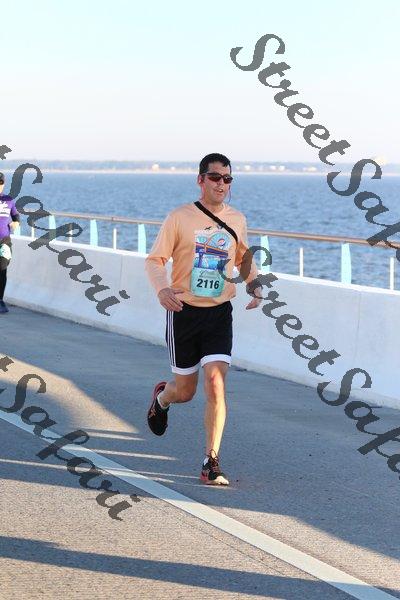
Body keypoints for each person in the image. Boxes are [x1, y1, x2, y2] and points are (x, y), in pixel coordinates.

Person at [145, 153, 262, 485]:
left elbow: (242, 256)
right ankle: (162, 398)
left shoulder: (236, 219)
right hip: (184, 313)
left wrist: (255, 284)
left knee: (216, 383)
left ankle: (211, 461)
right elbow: (155, 260)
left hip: (219, 313)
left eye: (227, 179)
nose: (221, 184)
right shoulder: (179, 218)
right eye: (214, 177)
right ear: (201, 180)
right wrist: (162, 289)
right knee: (185, 392)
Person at [0, 173, 20, 313]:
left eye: (1, 182)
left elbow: (16, 215)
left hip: (4, 241)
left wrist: (16, 223)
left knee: (2, 269)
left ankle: (0, 300)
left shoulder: (9, 200)